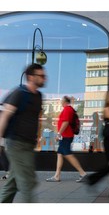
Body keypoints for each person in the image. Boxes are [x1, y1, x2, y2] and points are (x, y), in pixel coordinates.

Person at [0, 63, 46, 203]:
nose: (44, 79)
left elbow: (36, 118)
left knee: (12, 184)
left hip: (28, 145)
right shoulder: (19, 93)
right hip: (15, 144)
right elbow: (5, 117)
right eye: (41, 76)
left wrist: (37, 136)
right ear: (31, 77)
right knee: (27, 181)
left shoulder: (38, 96)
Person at [46, 96, 87, 183]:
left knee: (68, 154)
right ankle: (57, 176)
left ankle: (83, 173)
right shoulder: (69, 109)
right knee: (60, 154)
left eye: (61, 101)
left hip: (66, 136)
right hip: (66, 136)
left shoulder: (67, 109)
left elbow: (65, 122)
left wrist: (58, 134)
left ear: (64, 101)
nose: (60, 102)